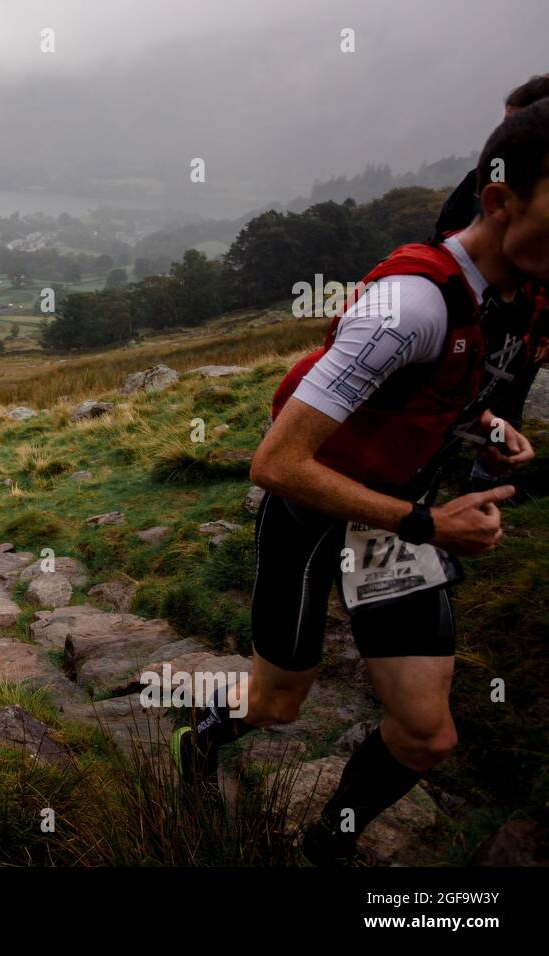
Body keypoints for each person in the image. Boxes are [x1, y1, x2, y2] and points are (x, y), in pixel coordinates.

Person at [173, 102, 549, 866]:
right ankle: (203, 733)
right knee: (279, 704)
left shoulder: (529, 298)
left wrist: (495, 434)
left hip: (401, 514)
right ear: (500, 202)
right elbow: (277, 465)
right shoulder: (406, 306)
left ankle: (326, 847)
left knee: (427, 734)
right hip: (315, 508)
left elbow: (446, 397)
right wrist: (429, 526)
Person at [431, 75, 549, 492]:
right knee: (466, 385)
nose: (506, 138)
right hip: (476, 314)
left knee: (505, 396)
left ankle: (486, 483)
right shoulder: (422, 301)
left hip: (519, 326)